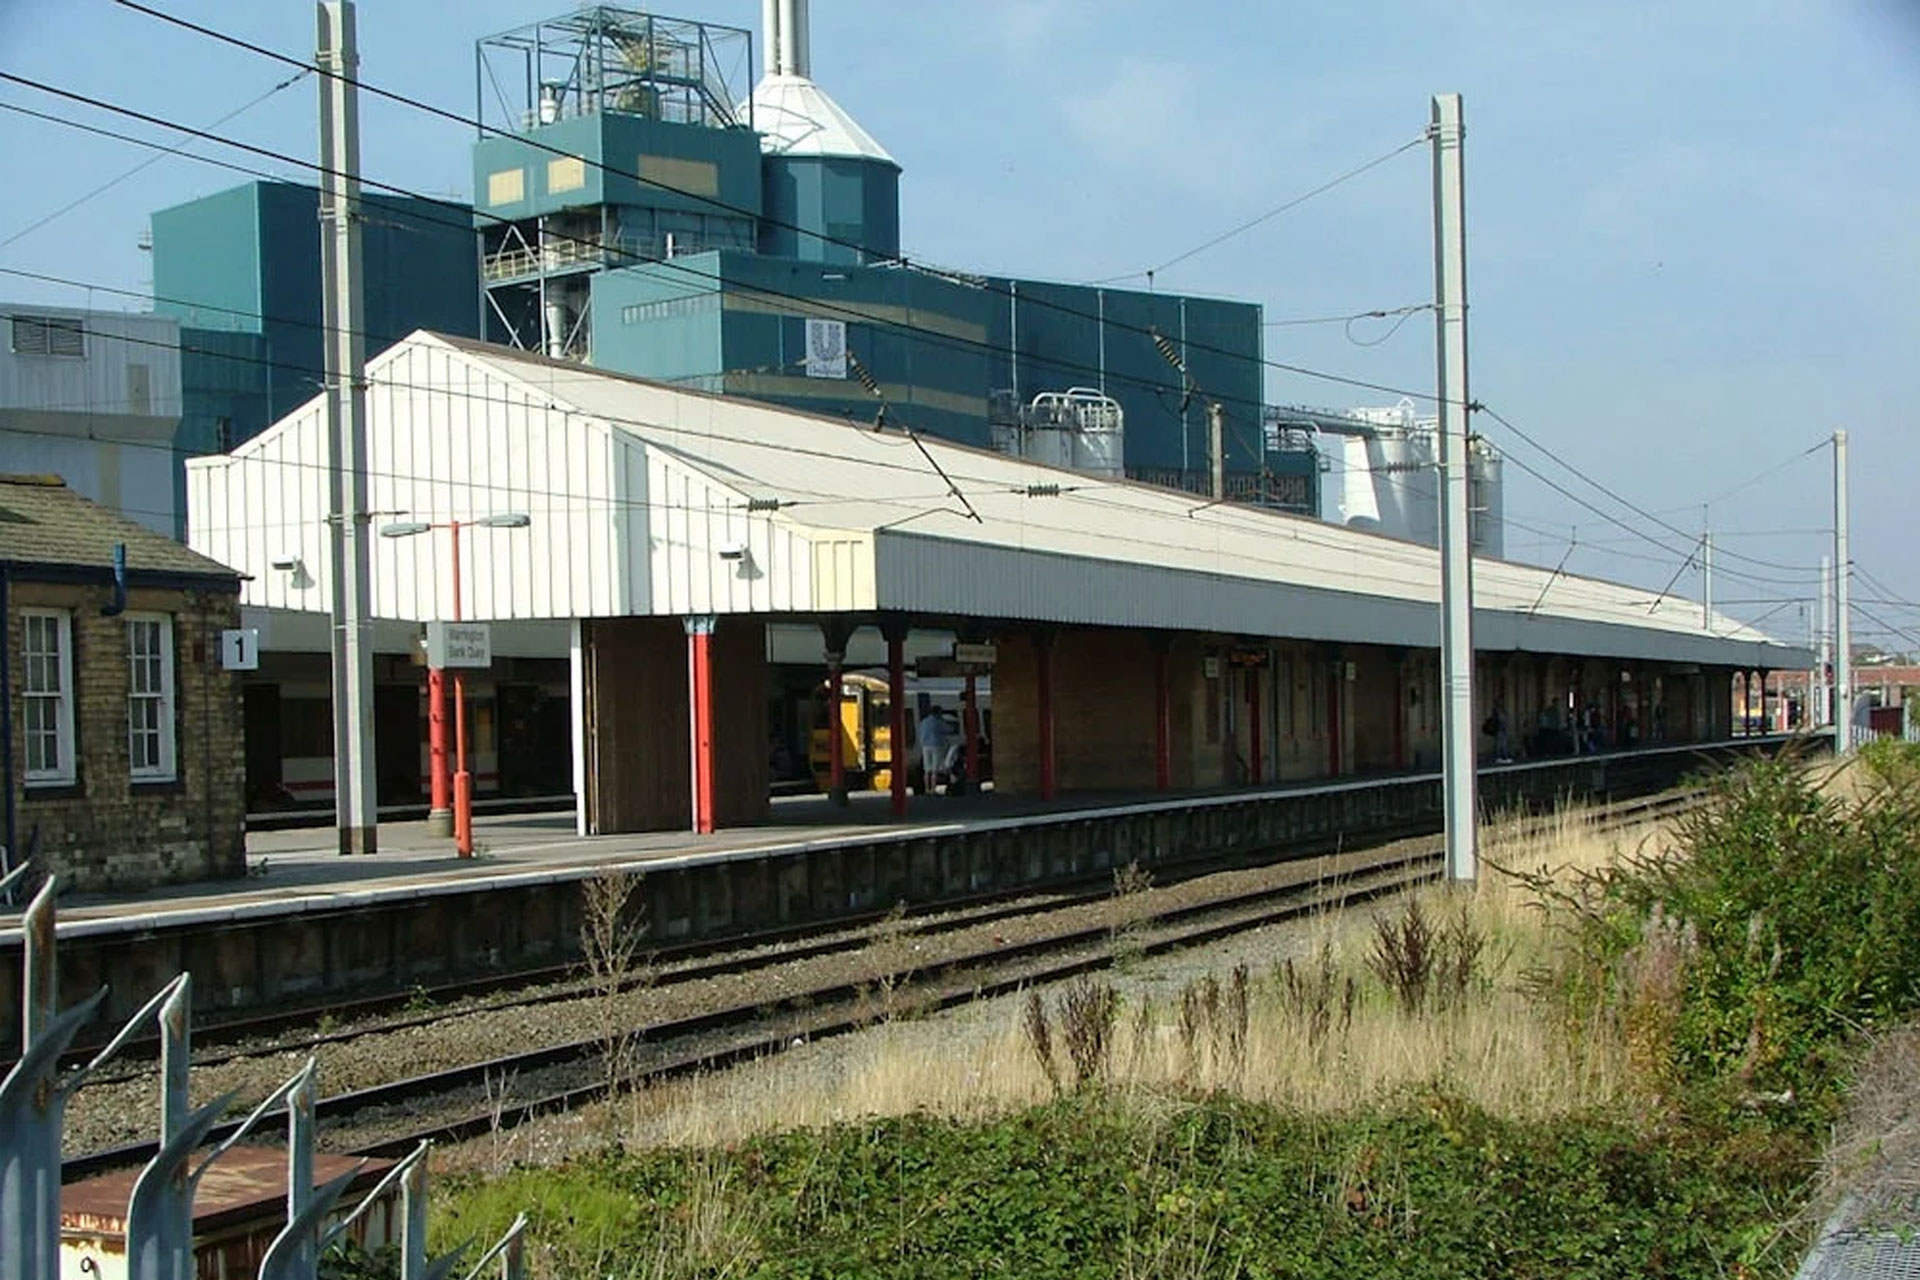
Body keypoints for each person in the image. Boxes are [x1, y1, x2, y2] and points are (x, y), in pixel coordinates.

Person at [916, 707, 952, 793]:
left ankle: (926, 789)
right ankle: (933, 789)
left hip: (925, 746)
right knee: (934, 770)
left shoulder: (924, 722)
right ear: (938, 713)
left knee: (927, 769)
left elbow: (920, 733)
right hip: (936, 745)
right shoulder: (938, 722)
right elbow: (949, 729)